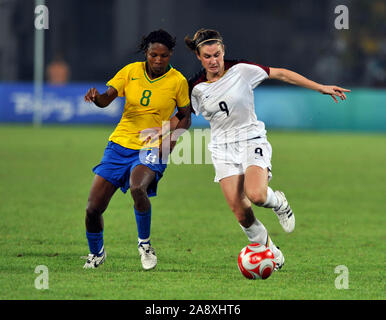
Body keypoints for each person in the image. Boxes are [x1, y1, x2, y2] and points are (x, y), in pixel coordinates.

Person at [184, 29, 350, 270]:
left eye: (217, 54)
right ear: (199, 57)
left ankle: (279, 202)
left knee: (257, 195)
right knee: (240, 212)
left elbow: (281, 73)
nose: (214, 61)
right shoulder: (195, 88)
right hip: (222, 149)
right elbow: (183, 115)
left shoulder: (241, 70)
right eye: (207, 56)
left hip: (251, 140)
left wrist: (320, 87)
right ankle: (269, 251)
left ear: (223, 51)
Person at [83, 29, 191, 270]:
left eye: (164, 56)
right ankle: (96, 254)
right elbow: (106, 99)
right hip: (119, 145)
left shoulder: (178, 81)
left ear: (170, 54)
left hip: (152, 145)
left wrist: (172, 140)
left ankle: (145, 245)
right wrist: (96, 97)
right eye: (154, 55)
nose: (159, 60)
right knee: (93, 209)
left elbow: (185, 117)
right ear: (147, 53)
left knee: (137, 188)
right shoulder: (130, 71)